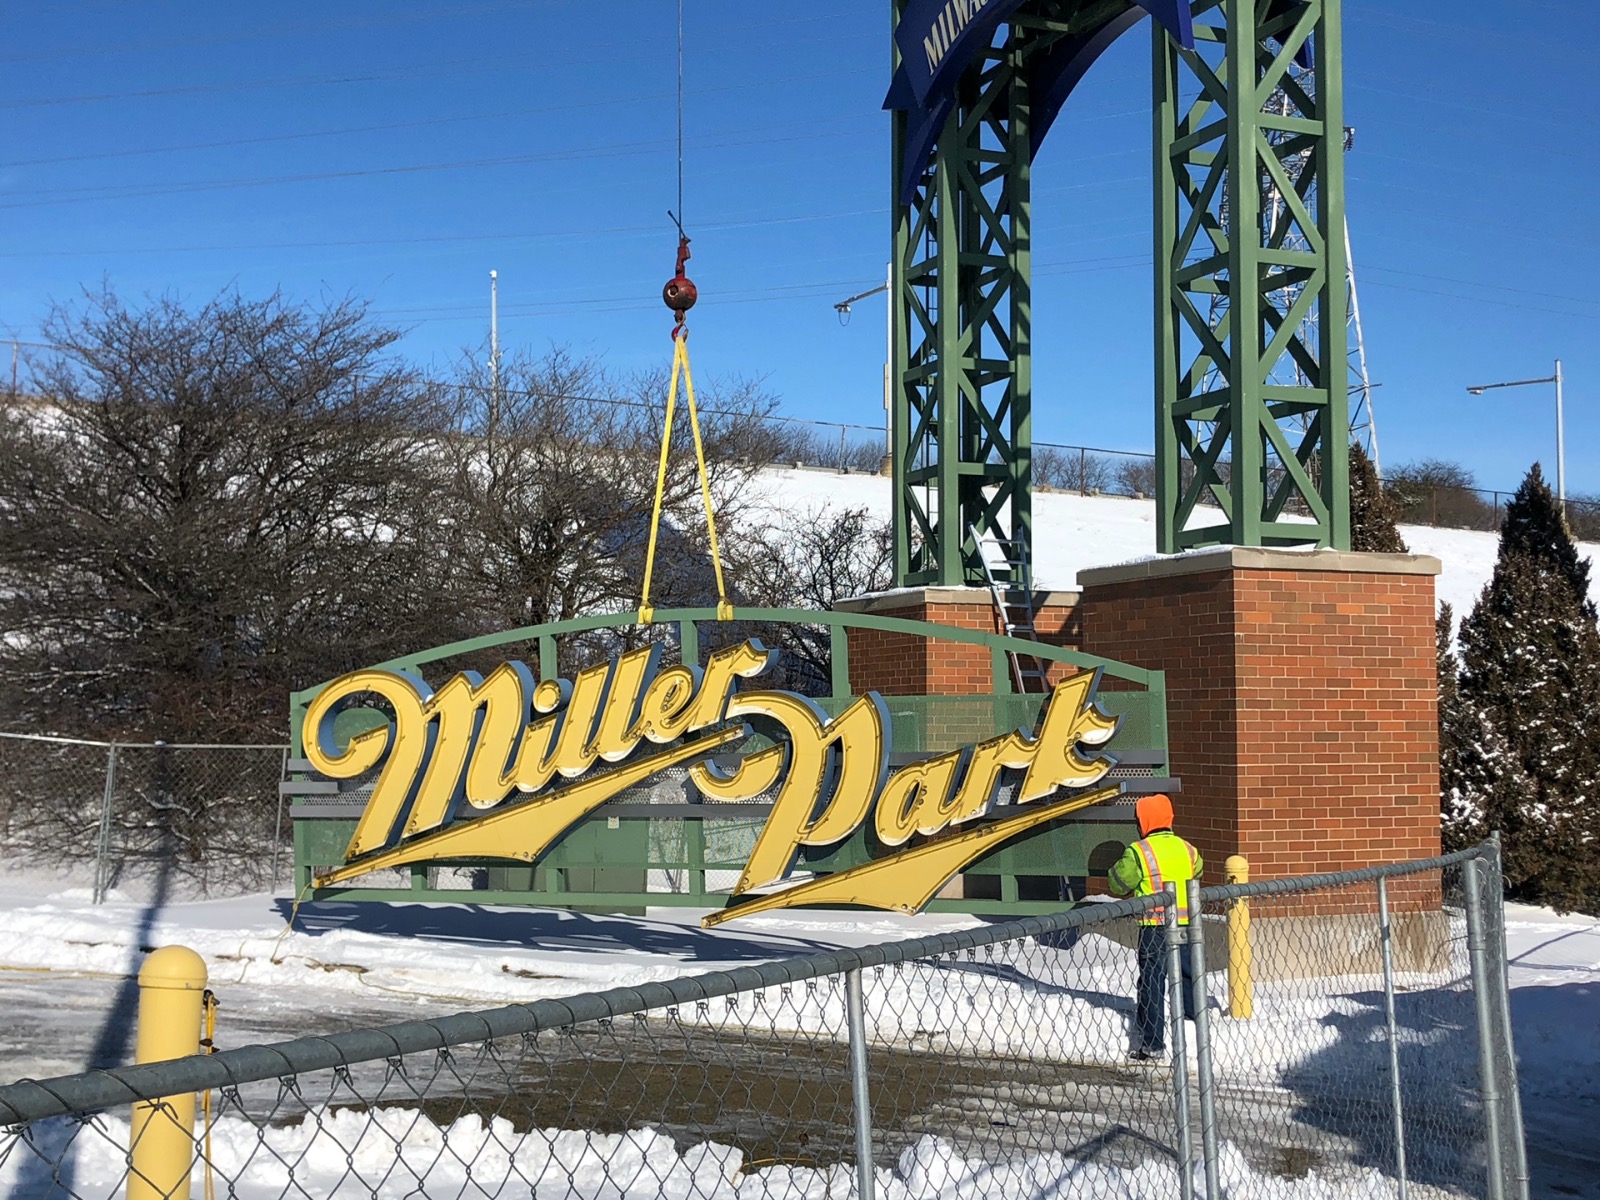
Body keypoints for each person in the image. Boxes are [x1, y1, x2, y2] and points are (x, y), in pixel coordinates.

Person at [1106, 793, 1204, 1061]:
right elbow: (1198, 870)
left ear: (1144, 822)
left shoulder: (1139, 851)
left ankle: (1152, 1044)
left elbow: (1118, 883)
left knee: (1152, 982)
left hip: (1156, 926)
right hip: (1188, 924)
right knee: (1187, 977)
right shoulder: (1187, 848)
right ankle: (1195, 1032)